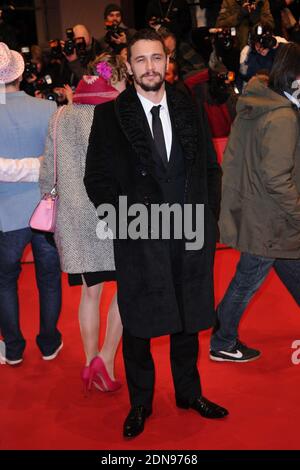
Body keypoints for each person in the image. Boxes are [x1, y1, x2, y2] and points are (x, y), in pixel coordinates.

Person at [84, 29, 228, 439]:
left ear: (168, 62)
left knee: (188, 320)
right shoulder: (110, 116)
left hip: (189, 234)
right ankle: (141, 402)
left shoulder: (188, 106)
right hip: (139, 237)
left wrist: (209, 219)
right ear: (128, 67)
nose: (151, 67)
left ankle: (189, 393)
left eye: (157, 58)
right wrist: (124, 223)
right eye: (141, 60)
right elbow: (96, 178)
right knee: (138, 325)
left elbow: (209, 170)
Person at [39, 53, 127, 393]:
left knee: (90, 294)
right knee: (124, 290)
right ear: (116, 80)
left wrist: (48, 195)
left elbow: (48, 173)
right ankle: (106, 358)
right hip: (116, 217)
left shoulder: (61, 115)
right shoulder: (118, 115)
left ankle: (92, 360)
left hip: (75, 219)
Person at [210, 43, 300, 362]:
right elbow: (277, 177)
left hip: (261, 213)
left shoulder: (259, 102)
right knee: (247, 281)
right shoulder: (282, 117)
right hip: (271, 220)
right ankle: (222, 339)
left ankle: (221, 335)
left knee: (289, 268)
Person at [0, 43, 62, 365]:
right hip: (46, 209)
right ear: (19, 73)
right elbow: (55, 162)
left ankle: (13, 348)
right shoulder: (46, 109)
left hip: (6, 216)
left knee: (5, 281)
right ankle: (49, 342)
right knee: (49, 278)